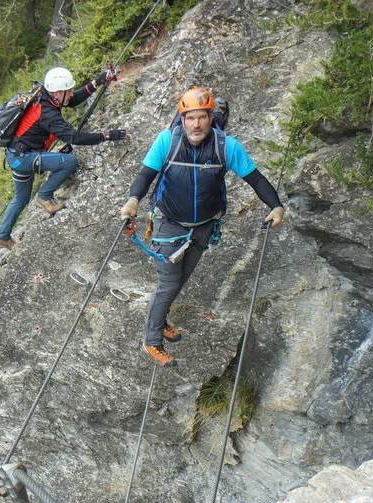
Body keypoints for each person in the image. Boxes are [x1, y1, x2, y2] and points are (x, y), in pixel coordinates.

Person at [121, 88, 284, 367]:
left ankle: (159, 321)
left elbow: (255, 179)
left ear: (212, 118)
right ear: (181, 119)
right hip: (168, 223)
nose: (196, 124)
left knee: (179, 280)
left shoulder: (226, 146)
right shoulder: (166, 142)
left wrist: (276, 205)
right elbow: (145, 176)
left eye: (202, 118)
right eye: (190, 118)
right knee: (169, 283)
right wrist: (132, 201)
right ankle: (151, 340)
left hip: (203, 227)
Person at [0, 66, 127, 249]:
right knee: (70, 162)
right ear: (57, 93)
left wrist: (98, 81)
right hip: (25, 157)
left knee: (21, 198)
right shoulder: (47, 113)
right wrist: (106, 136)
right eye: (68, 90)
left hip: (16, 155)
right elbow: (75, 137)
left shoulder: (44, 95)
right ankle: (45, 195)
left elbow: (72, 101)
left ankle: (2, 237)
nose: (71, 93)